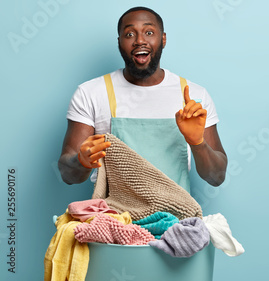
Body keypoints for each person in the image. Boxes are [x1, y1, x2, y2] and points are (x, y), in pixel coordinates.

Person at [58, 6, 227, 192]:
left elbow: (216, 177)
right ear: (119, 42)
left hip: (176, 217)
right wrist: (81, 161)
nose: (139, 41)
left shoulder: (194, 97)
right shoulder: (90, 93)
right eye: (129, 34)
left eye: (149, 32)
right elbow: (68, 175)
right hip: (114, 218)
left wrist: (198, 143)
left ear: (163, 39)